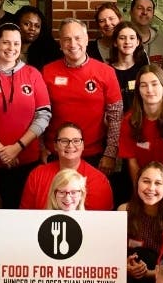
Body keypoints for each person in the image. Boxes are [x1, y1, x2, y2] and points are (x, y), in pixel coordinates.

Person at [0, 22, 52, 208]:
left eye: (16, 43)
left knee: (20, 216)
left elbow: (44, 114)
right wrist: (1, 150)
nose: (11, 48)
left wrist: (17, 147)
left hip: (25, 161)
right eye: (6, 43)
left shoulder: (33, 74)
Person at [43, 18, 123, 173]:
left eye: (77, 38)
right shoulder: (47, 72)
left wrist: (110, 154)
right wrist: (41, 148)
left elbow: (116, 116)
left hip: (94, 155)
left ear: (86, 40)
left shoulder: (106, 72)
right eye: (66, 39)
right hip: (56, 154)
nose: (73, 44)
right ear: (60, 44)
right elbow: (38, 114)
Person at [118, 161, 163, 283]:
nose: (151, 188)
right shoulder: (124, 211)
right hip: (127, 277)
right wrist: (125, 266)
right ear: (137, 183)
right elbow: (113, 252)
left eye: (158, 183)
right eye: (146, 181)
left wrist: (149, 273)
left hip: (162, 278)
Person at [21, 122, 113, 211]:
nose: (70, 145)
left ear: (83, 145)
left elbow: (101, 222)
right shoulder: (37, 175)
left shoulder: (99, 180)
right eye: (64, 141)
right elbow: (25, 216)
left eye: (76, 141)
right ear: (55, 146)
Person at [119, 66, 163, 187]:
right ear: (138, 90)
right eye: (143, 85)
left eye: (154, 84)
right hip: (143, 186)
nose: (149, 90)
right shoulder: (129, 120)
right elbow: (132, 164)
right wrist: (141, 191)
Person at [110, 23, 149, 113]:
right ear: (115, 42)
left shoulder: (144, 70)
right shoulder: (108, 72)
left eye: (132, 38)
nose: (127, 42)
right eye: (122, 38)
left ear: (137, 42)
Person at [129, 0, 163, 68]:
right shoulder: (121, 40)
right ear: (131, 12)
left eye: (149, 9)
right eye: (140, 8)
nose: (144, 12)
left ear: (153, 14)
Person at [16, 4, 60, 69]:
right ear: (17, 24)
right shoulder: (8, 49)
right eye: (27, 24)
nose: (32, 28)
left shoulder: (47, 53)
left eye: (37, 26)